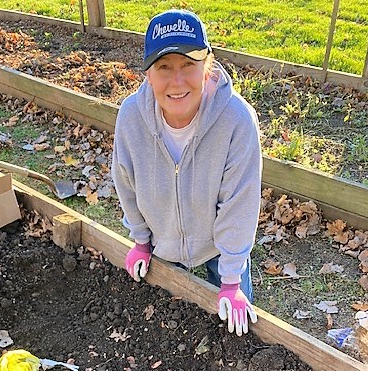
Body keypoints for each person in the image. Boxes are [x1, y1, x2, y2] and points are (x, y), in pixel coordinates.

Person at [111, 9, 261, 336]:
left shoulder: (236, 121)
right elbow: (126, 184)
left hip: (218, 248)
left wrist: (232, 280)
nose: (177, 82)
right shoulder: (131, 118)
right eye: (165, 67)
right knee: (169, 330)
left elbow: (240, 205)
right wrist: (140, 240)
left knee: (236, 335)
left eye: (189, 66)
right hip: (162, 242)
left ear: (207, 69)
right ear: (148, 75)